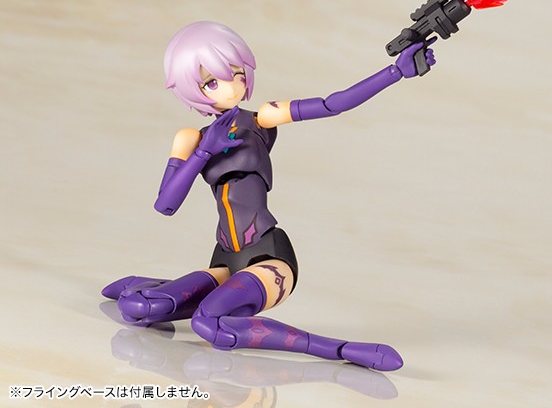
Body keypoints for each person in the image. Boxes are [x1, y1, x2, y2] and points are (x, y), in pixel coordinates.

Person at [101, 20, 434, 371]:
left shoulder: (263, 119)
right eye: (212, 82)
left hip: (268, 256)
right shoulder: (191, 139)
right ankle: (152, 288)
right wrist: (204, 151)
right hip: (224, 259)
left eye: (237, 74)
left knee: (210, 324)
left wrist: (395, 72)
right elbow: (165, 204)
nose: (231, 86)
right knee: (138, 308)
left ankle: (340, 350)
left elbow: (333, 104)